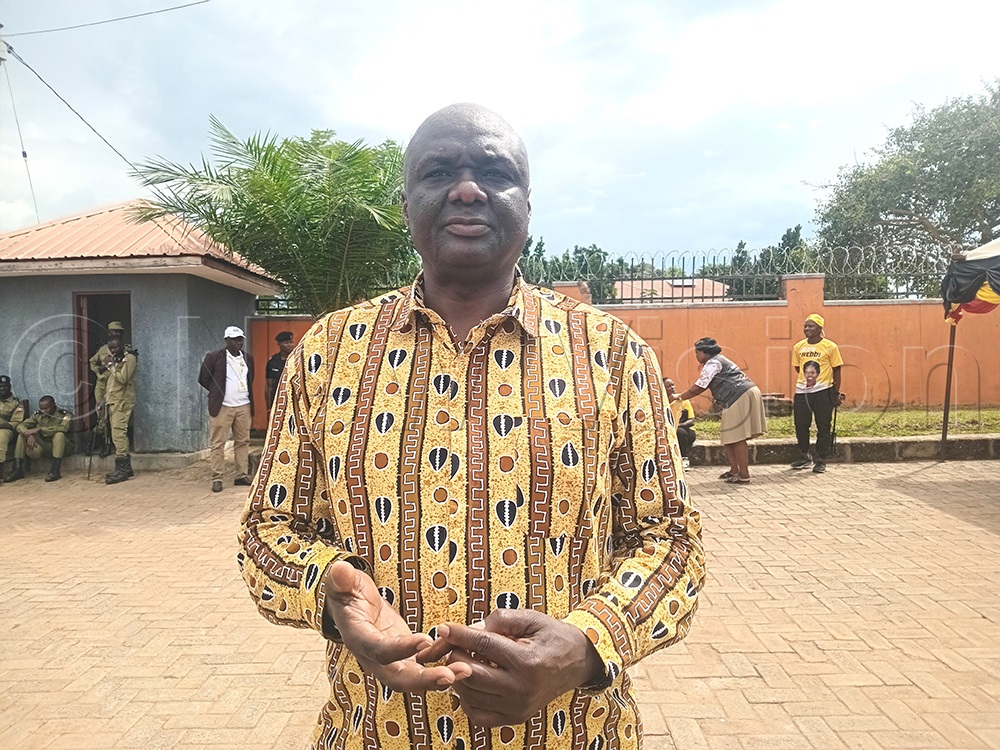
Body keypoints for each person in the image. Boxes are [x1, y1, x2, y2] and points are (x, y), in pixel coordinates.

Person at [238, 104, 705, 749]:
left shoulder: (614, 354)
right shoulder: (327, 352)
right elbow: (267, 531)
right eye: (438, 172)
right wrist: (331, 595)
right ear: (406, 205)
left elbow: (671, 540)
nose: (466, 189)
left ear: (528, 206)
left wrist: (587, 644)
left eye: (495, 172)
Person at [673, 337, 766, 484]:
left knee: (737, 437)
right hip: (739, 394)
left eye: (697, 352)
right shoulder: (718, 361)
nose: (696, 356)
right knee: (728, 436)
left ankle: (744, 474)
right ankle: (734, 470)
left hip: (739, 395)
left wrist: (680, 396)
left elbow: (700, 386)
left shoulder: (713, 363)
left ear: (705, 352)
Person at [199, 326, 254, 492]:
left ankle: (241, 474)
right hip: (223, 406)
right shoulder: (214, 357)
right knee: (218, 443)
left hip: (244, 405)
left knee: (243, 441)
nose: (238, 342)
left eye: (240, 339)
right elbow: (203, 379)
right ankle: (217, 477)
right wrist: (217, 393)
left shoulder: (248, 358)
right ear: (226, 340)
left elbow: (251, 378)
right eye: (234, 339)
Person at [790, 313, 843, 474]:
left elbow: (837, 370)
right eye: (805, 326)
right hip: (802, 392)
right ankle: (804, 455)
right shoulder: (798, 347)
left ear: (820, 328)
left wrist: (835, 392)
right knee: (801, 424)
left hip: (823, 391)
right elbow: (798, 368)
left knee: (823, 425)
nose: (807, 329)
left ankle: (821, 459)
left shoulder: (830, 346)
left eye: (811, 326)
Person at [6, 395, 73, 483]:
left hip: (63, 448)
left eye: (46, 408)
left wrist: (40, 429)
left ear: (53, 405)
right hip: (46, 446)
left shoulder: (64, 415)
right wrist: (29, 434)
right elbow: (20, 425)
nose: (43, 411)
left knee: (59, 435)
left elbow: (63, 428)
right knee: (22, 435)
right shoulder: (37, 415)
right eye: (41, 409)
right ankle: (17, 469)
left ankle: (55, 470)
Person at [103, 338, 138, 484]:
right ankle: (127, 468)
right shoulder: (117, 359)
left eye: (115, 347)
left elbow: (123, 379)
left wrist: (110, 365)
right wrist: (104, 398)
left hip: (122, 401)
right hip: (113, 400)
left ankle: (122, 469)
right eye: (110, 348)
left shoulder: (129, 358)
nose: (112, 350)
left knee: (118, 432)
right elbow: (112, 383)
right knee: (116, 432)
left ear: (122, 346)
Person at [89, 321, 127, 456]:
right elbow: (92, 363)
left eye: (118, 332)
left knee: (115, 417)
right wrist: (101, 369)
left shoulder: (125, 351)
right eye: (113, 332)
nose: (115, 334)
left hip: (116, 386)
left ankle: (116, 446)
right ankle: (105, 444)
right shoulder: (103, 349)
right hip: (102, 385)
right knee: (102, 415)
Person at [663, 377, 696, 468]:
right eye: (669, 386)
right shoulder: (660, 403)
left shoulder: (683, 400)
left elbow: (691, 421)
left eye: (673, 385)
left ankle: (684, 458)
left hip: (685, 432)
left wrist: (677, 425)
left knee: (679, 432)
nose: (673, 387)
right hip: (668, 431)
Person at [0, 375, 26, 482]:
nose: (2, 388)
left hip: (6, 430)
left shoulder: (16, 403)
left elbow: (16, 423)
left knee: (1, 436)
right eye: (0, 386)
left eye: (5, 386)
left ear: (10, 386)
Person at [264, 331, 295, 410]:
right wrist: (269, 408)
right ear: (279, 344)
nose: (290, 345)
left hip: (295, 400)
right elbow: (269, 387)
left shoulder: (297, 359)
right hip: (278, 400)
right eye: (286, 343)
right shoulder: (273, 362)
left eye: (291, 342)